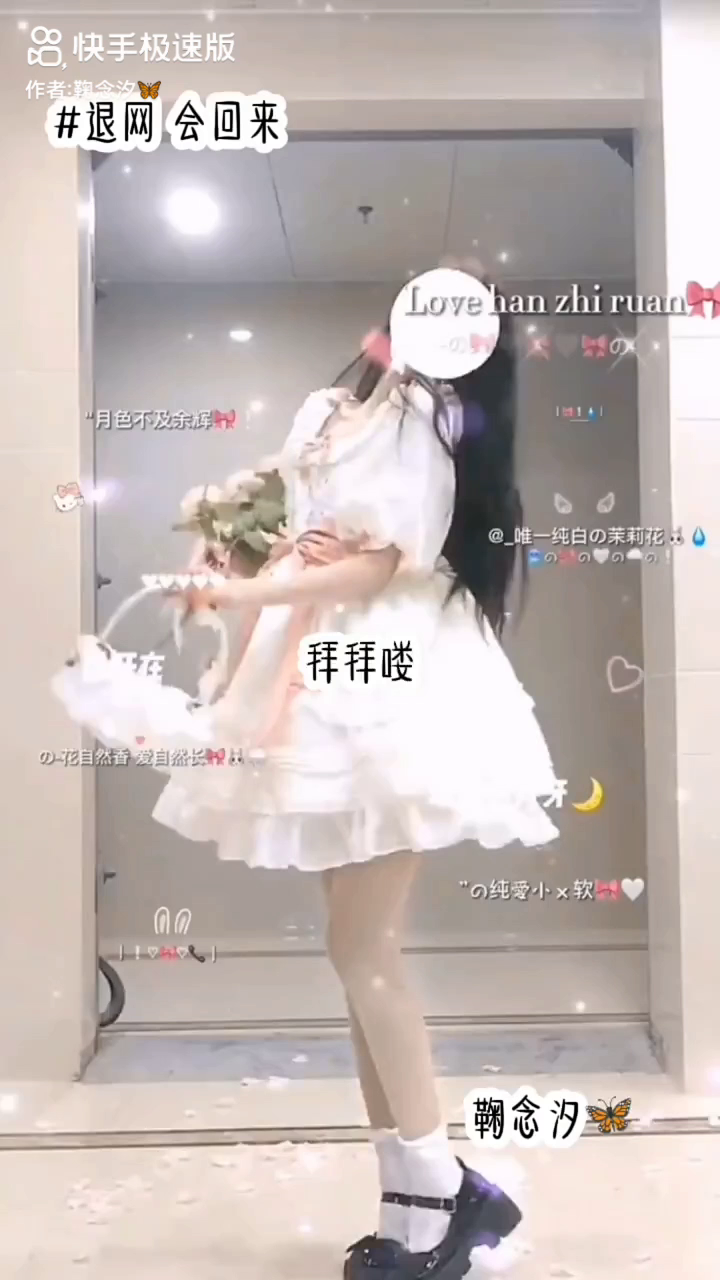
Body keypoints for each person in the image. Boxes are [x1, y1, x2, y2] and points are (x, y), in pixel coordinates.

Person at [55, 296, 559, 1280]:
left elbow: (378, 566)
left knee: (363, 948)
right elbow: (314, 537)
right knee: (356, 951)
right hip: (320, 670)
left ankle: (441, 1198)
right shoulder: (342, 408)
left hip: (391, 679)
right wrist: (248, 556)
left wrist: (250, 587)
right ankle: (419, 1195)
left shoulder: (429, 419)